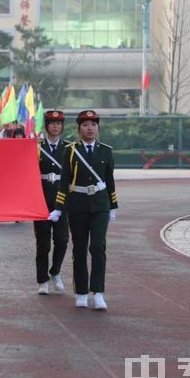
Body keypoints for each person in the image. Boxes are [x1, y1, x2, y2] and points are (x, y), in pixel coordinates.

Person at [49, 110, 118, 311]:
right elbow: (64, 182)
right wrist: (59, 208)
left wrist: (113, 205)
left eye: (93, 125)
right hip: (77, 205)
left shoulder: (106, 151)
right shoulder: (70, 151)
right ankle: (81, 292)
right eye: (86, 125)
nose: (90, 128)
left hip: (100, 205)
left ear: (98, 128)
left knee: (97, 247)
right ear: (79, 128)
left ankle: (98, 293)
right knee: (79, 248)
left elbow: (110, 181)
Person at [33, 110, 70, 295]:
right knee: (43, 243)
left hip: (61, 198)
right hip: (41, 197)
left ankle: (55, 271)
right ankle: (42, 281)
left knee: (62, 240)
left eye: (59, 123)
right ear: (46, 125)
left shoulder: (69, 148)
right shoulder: (36, 147)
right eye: (52, 123)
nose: (55, 126)